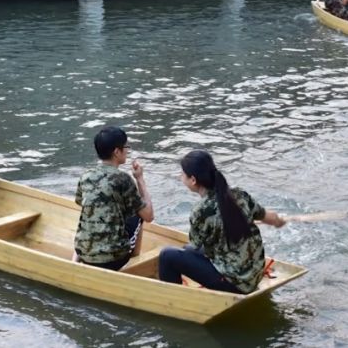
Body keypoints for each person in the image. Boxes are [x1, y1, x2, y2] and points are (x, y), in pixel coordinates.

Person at [158, 150, 286, 294]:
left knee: (167, 255)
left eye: (182, 174)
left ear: (193, 180)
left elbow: (195, 244)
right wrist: (278, 221)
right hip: (255, 273)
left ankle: (173, 300)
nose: (179, 176)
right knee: (186, 249)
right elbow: (267, 216)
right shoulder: (239, 194)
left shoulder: (200, 210)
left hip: (236, 283)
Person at [73, 126, 154, 270]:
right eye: (126, 146)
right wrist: (140, 179)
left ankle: (74, 262)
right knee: (138, 214)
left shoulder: (86, 175)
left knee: (89, 212)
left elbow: (81, 203)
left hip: (84, 253)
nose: (127, 150)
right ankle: (133, 263)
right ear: (117, 152)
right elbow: (148, 216)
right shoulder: (123, 179)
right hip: (113, 260)